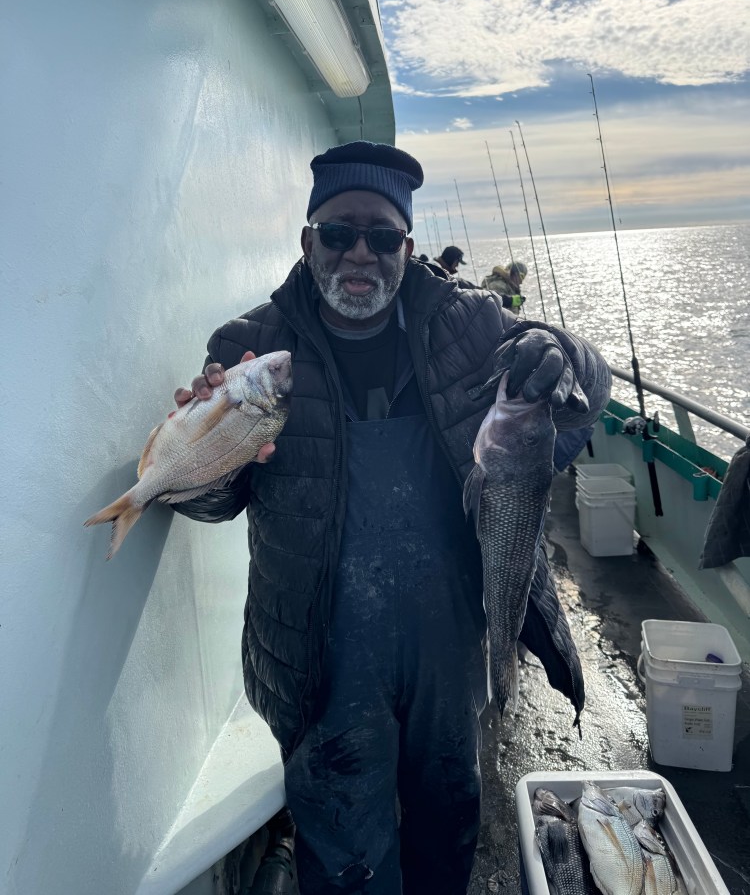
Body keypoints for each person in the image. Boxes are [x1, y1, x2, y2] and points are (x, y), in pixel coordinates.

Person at [171, 141, 612, 895]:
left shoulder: (471, 322)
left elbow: (588, 394)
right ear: (307, 240)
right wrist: (200, 451)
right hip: (319, 649)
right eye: (338, 233)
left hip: (451, 639)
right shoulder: (249, 349)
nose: (360, 253)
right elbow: (211, 504)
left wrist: (564, 353)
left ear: (407, 246)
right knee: (344, 847)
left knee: (448, 816)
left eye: (381, 235)